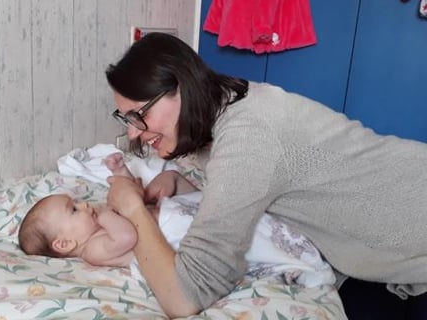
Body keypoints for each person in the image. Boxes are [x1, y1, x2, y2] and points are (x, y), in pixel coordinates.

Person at [104, 32, 427, 318]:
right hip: (382, 255)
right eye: (125, 118)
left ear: (182, 89)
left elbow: (186, 296)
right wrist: (180, 184)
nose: (133, 133)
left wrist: (134, 211)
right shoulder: (228, 105)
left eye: (139, 114)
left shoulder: (248, 135)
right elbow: (255, 191)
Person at [19, 152, 335, 290]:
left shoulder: (95, 227)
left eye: (76, 202)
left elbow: (135, 202)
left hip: (170, 219)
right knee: (242, 240)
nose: (84, 205)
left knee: (226, 211)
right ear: (64, 244)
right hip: (171, 241)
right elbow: (129, 236)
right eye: (74, 210)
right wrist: (107, 212)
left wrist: (121, 175)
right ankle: (297, 258)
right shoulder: (93, 249)